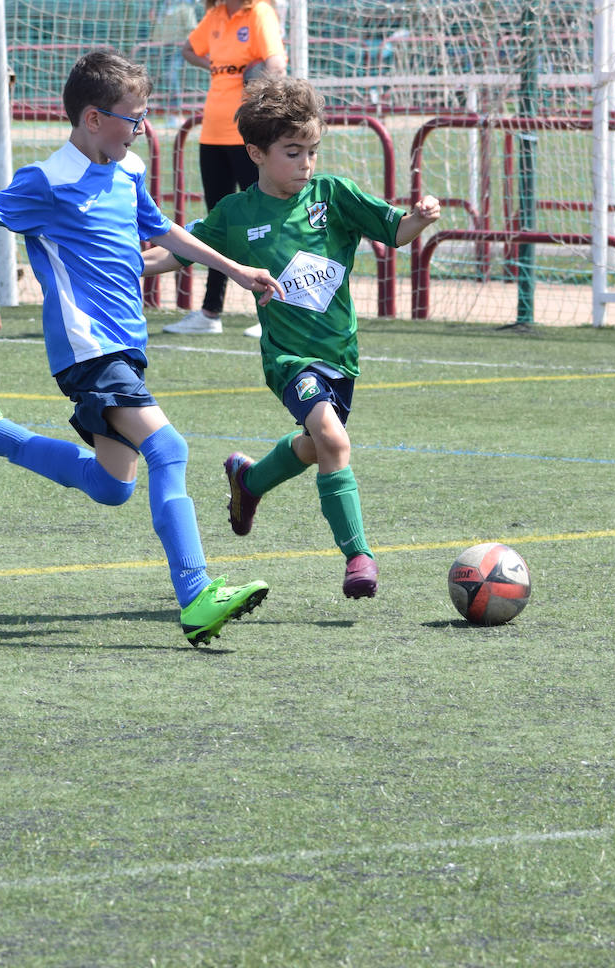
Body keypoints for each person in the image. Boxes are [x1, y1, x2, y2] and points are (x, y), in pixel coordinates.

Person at [0, 48, 282, 648]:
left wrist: (238, 270)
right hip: (88, 349)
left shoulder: (128, 172)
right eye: (134, 117)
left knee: (112, 484)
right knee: (168, 448)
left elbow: (164, 231)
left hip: (125, 345)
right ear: (93, 118)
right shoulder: (47, 180)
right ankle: (197, 594)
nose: (142, 128)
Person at [142, 76, 441, 599]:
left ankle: (249, 482)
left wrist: (417, 218)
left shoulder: (332, 196)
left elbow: (394, 232)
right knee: (332, 440)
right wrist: (123, 266)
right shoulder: (235, 214)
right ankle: (359, 557)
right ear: (256, 153)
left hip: (340, 358)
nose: (306, 163)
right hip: (288, 359)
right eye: (293, 152)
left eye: (312, 151)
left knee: (315, 446)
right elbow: (175, 252)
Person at [163, 0, 286, 337]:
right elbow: (190, 49)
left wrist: (256, 82)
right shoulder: (215, 14)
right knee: (218, 222)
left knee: (263, 220)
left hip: (247, 134)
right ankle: (210, 312)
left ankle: (278, 308)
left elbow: (277, 64)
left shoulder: (259, 12)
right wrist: (220, 66)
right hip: (212, 132)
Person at [150, 0, 199, 125]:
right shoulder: (162, 8)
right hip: (162, 48)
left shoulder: (185, 7)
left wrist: (186, 46)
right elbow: (156, 28)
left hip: (177, 48)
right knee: (166, 80)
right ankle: (172, 114)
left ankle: (176, 114)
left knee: (170, 77)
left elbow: (192, 29)